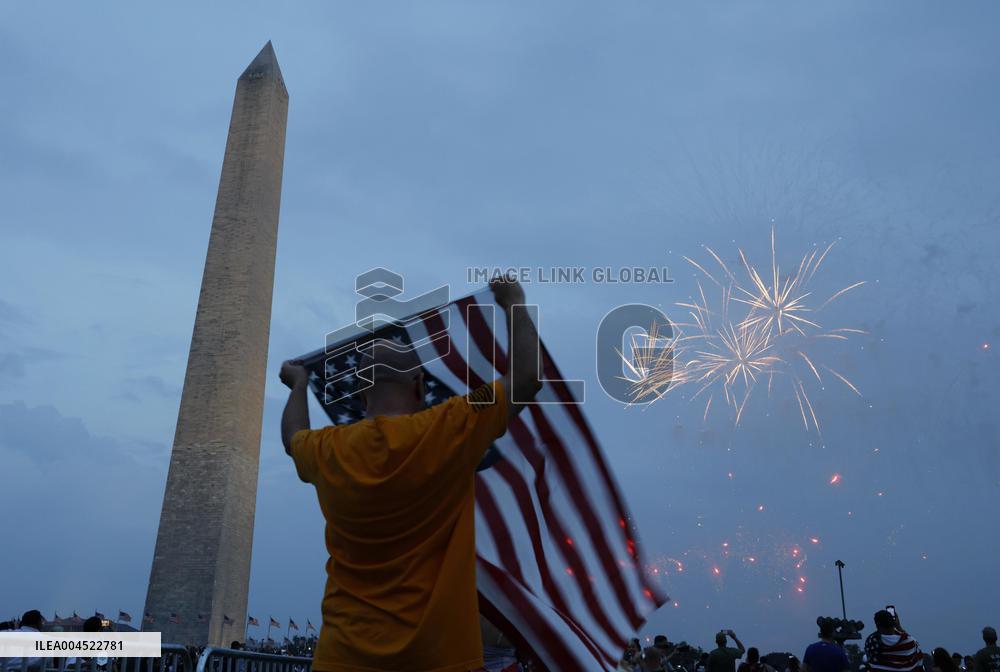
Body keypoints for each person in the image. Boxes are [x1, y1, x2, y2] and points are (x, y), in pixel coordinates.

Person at [280, 278, 542, 672]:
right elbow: (526, 379)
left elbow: (292, 437)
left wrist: (297, 387)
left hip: (343, 656)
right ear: (420, 386)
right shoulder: (451, 425)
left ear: (361, 393)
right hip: (441, 656)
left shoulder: (328, 449)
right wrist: (514, 303)